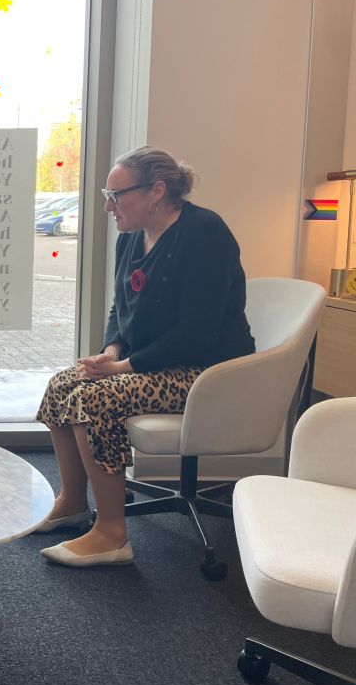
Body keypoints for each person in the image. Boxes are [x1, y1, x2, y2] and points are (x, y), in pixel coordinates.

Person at [34, 146, 255, 567]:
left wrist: (123, 368)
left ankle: (111, 535)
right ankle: (73, 504)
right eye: (108, 195)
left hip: (208, 373)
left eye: (116, 195)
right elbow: (121, 310)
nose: (108, 206)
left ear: (156, 191)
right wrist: (111, 351)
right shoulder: (131, 238)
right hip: (156, 363)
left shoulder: (205, 233)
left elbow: (197, 332)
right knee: (64, 383)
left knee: (94, 397)